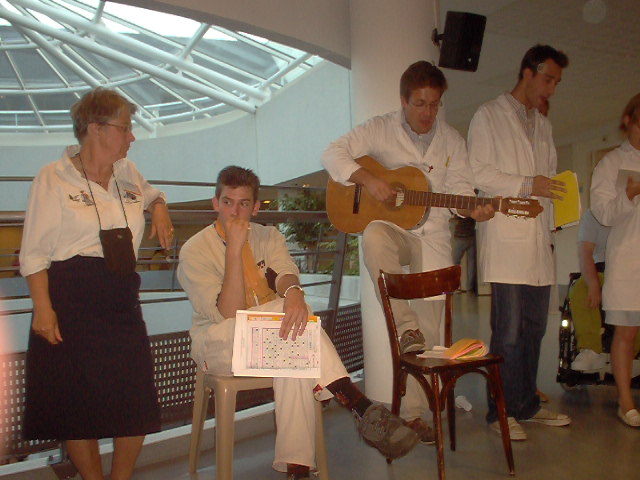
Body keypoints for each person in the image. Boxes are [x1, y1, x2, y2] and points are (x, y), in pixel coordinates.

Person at [177, 166, 419, 480]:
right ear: (215, 204)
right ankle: (358, 405)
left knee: (294, 347)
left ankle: (298, 469)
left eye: (243, 203)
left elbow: (285, 273)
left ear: (256, 207)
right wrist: (234, 251)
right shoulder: (194, 250)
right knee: (290, 324)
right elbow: (230, 313)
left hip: (275, 338)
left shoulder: (268, 236)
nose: (234, 212)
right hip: (220, 342)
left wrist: (293, 293)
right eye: (227, 203)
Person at [322, 61, 494, 444]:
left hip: (433, 236)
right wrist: (369, 179)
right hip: (395, 230)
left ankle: (416, 415)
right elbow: (332, 153)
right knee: (373, 235)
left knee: (431, 336)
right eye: (420, 104)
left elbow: (460, 190)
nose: (428, 113)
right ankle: (405, 326)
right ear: (403, 100)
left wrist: (472, 208)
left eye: (434, 104)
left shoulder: (452, 140)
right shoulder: (380, 128)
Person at [19, 88, 174, 479]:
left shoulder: (128, 172)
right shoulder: (53, 178)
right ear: (95, 128)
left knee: (136, 400)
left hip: (120, 297)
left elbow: (151, 194)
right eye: (125, 128)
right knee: (76, 407)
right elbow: (34, 252)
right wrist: (43, 308)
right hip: (70, 298)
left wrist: (160, 207)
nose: (132, 136)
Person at [467, 44, 572, 441]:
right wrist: (529, 185)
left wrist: (559, 210)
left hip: (539, 241)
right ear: (528, 72)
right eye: (548, 80)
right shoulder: (488, 115)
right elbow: (478, 172)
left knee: (534, 330)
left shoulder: (543, 125)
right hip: (507, 241)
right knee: (508, 332)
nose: (552, 89)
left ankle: (526, 405)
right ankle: (501, 411)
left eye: (557, 83)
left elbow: (549, 180)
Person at [590, 92, 640, 428]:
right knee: (627, 332)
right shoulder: (611, 163)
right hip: (629, 259)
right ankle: (625, 401)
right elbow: (603, 214)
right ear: (628, 122)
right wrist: (628, 195)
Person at [568, 209, 614, 371]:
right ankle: (590, 350)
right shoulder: (593, 215)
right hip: (600, 269)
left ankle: (631, 352)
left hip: (631, 270)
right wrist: (593, 284)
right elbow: (585, 253)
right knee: (580, 291)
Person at [449, 215, 477, 293]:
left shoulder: (461, 213)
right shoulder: (472, 213)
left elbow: (453, 218)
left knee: (455, 264)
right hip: (471, 237)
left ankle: (455, 287)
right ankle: (469, 287)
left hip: (460, 238)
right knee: (471, 264)